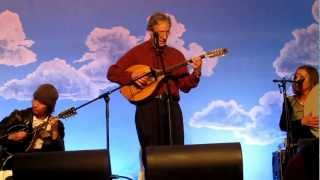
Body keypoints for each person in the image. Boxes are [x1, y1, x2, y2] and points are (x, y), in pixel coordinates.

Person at [107, 12, 202, 166]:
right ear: (151, 32)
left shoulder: (176, 55)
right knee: (152, 157)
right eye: (160, 33)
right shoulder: (138, 53)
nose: (164, 36)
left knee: (176, 155)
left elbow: (185, 86)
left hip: (172, 107)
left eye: (167, 32)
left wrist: (196, 72)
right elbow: (112, 73)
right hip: (148, 109)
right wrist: (132, 77)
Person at [0, 83, 65, 169]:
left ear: (49, 106)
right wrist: (11, 137)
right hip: (12, 164)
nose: (35, 105)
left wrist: (55, 131)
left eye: (41, 103)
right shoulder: (18, 116)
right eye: (35, 99)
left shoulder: (57, 125)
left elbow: (59, 154)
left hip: (41, 167)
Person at [278, 65, 319, 180]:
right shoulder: (290, 101)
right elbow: (283, 125)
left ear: (312, 80)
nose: (296, 79)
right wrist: (302, 122)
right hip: (300, 148)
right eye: (295, 76)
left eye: (301, 77)